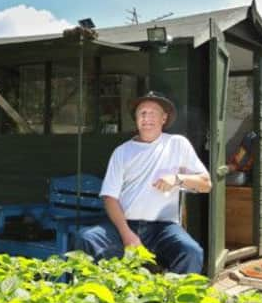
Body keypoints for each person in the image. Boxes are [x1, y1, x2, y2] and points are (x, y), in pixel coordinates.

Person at [76, 91, 212, 274]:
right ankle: (102, 296)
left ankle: (176, 300)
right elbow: (109, 197)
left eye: (153, 113)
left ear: (164, 118)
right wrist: (127, 235)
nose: (147, 118)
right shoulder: (122, 152)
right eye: (142, 113)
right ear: (136, 119)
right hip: (126, 223)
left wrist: (178, 179)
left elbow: (206, 184)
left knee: (191, 251)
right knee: (87, 238)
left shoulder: (177, 144)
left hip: (163, 227)